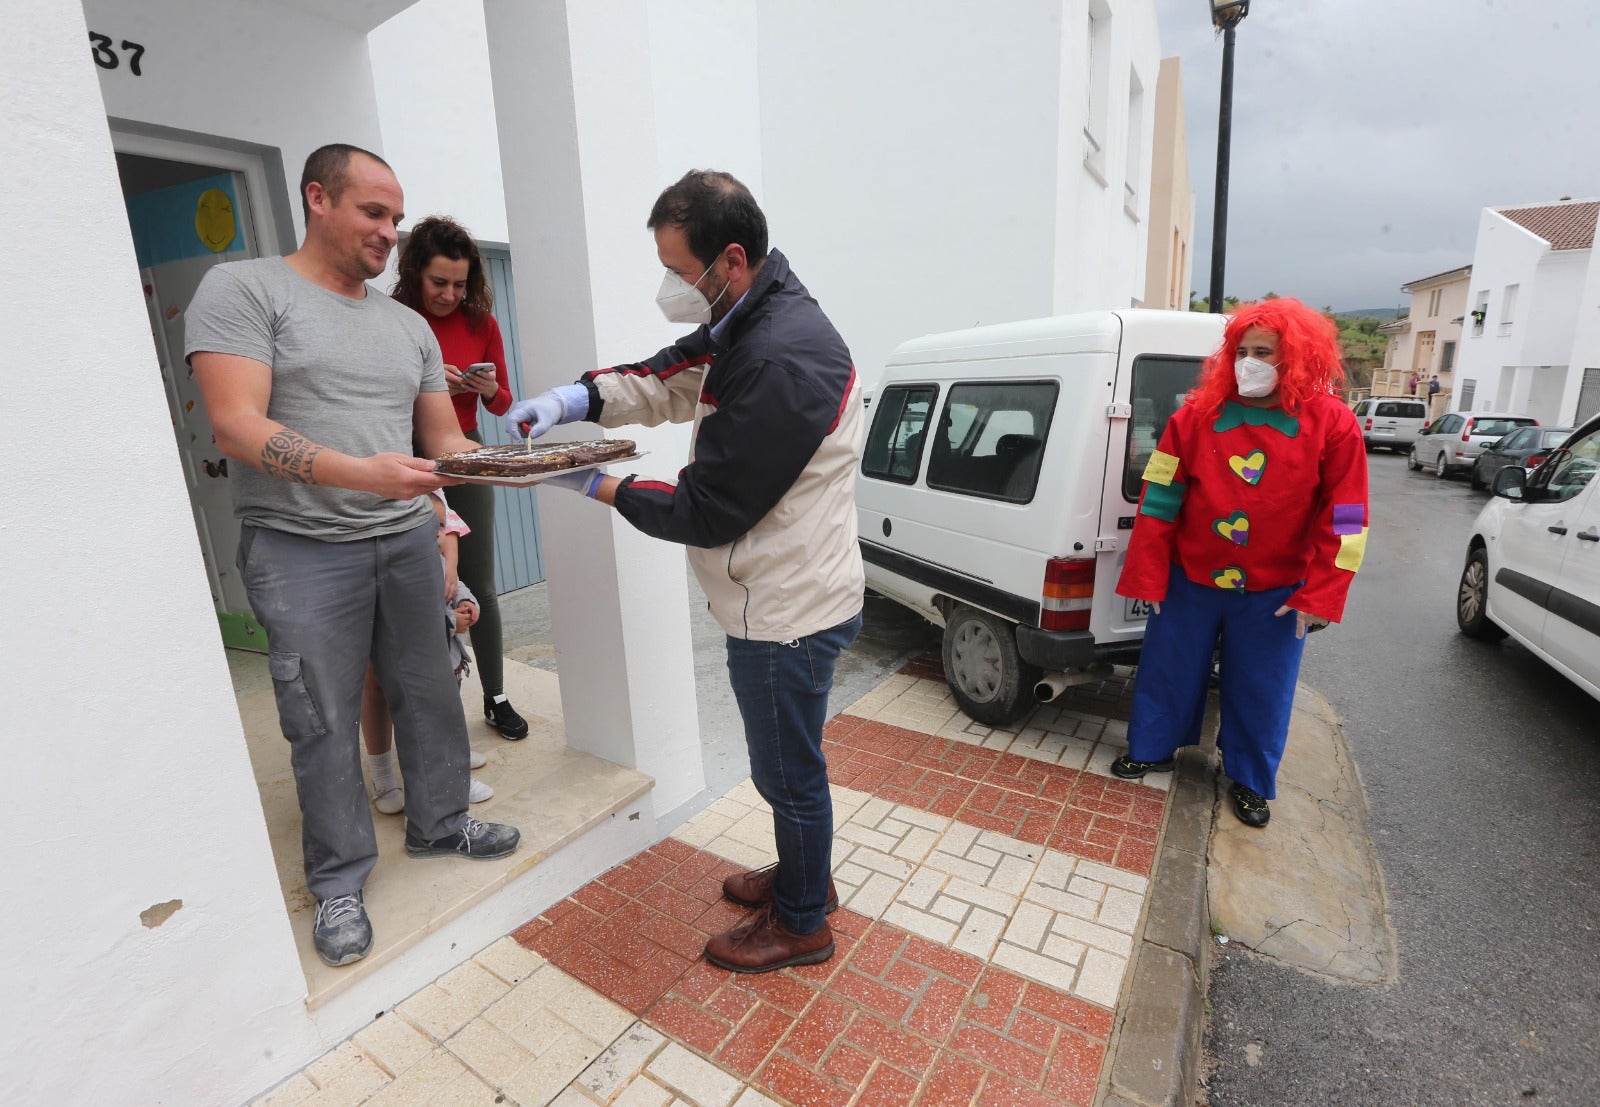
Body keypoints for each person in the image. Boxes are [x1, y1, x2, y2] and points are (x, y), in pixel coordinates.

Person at [504, 170, 864, 973]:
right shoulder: (752, 316)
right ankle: (803, 877)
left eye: (677, 271)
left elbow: (710, 505)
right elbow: (675, 372)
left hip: (785, 610)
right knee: (787, 765)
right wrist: (578, 399)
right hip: (779, 591)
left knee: (787, 771)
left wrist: (596, 481)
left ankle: (803, 920)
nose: (671, 287)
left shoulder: (781, 359)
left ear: (729, 259)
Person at [186, 143, 520, 969]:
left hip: (404, 536)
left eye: (396, 217)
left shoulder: (406, 325)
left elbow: (443, 440)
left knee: (430, 689)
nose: (389, 232)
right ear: (318, 199)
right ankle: (338, 879)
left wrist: (515, 462)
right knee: (322, 719)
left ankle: (442, 823)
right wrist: (361, 474)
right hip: (301, 547)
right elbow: (236, 423)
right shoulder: (243, 289)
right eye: (374, 212)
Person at [1111, 298, 1368, 828]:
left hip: (1277, 592)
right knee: (1167, 669)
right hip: (1191, 580)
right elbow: (1159, 495)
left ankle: (1250, 779)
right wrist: (1149, 573)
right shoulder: (1193, 416)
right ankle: (1153, 746)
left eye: (1265, 353)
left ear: (1295, 358)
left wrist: (1321, 594)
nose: (1249, 362)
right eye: (1242, 351)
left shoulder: (1333, 423)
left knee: (1263, 688)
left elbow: (1346, 517)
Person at [392, 218, 530, 740]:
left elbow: (501, 402)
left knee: (481, 584)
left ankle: (494, 695)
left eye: (460, 283)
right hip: (407, 459)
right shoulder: (395, 317)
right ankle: (429, 706)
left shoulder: (481, 321)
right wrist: (428, 383)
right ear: (414, 275)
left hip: (466, 455)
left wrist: (488, 384)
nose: (450, 294)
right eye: (438, 283)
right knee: (419, 586)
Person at [364, 491, 494, 814]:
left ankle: (454, 772)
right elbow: (413, 617)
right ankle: (394, 780)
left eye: (439, 528)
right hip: (405, 659)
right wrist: (453, 620)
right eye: (432, 529)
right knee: (417, 724)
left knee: (444, 715)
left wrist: (466, 604)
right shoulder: (398, 565)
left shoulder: (433, 555)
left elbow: (455, 585)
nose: (438, 536)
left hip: (444, 657)